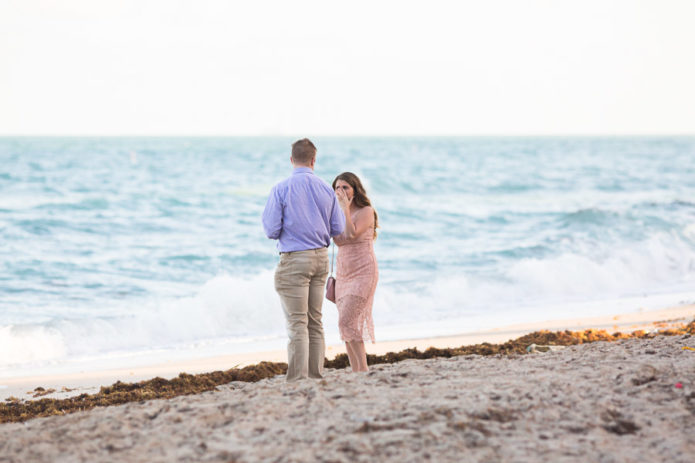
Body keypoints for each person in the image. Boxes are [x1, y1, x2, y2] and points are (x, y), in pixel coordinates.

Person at [262, 138, 345, 381]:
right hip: (320, 258)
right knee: (314, 321)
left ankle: (298, 380)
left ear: (291, 160)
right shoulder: (325, 189)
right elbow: (337, 228)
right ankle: (315, 376)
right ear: (313, 160)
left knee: (297, 323)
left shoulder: (281, 189)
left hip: (295, 259)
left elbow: (270, 230)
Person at [332, 172, 379, 372]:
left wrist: (345, 209)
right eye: (337, 188)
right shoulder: (335, 212)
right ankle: (356, 371)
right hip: (343, 273)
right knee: (345, 324)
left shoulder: (366, 211)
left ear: (355, 189)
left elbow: (351, 234)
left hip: (364, 271)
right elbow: (337, 240)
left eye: (345, 187)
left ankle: (363, 369)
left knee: (348, 320)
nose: (341, 191)